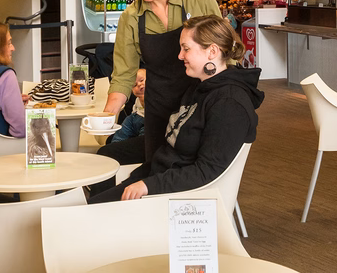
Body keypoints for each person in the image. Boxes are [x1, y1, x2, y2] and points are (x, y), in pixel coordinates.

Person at [91, 15, 264, 203]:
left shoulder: (229, 104)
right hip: (161, 185)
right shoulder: (198, 88)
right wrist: (139, 180)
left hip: (181, 201)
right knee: (87, 206)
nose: (180, 56)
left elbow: (207, 171)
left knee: (85, 214)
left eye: (186, 49)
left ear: (212, 51)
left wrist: (148, 185)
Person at [104, 0, 222, 164]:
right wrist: (105, 118)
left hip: (201, 108)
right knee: (155, 173)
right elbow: (123, 76)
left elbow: (226, 53)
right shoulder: (131, 16)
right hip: (159, 113)